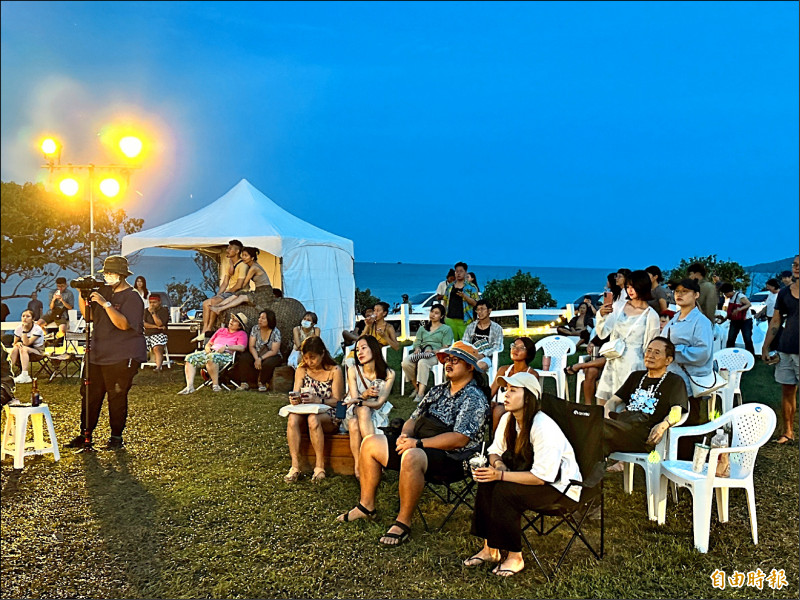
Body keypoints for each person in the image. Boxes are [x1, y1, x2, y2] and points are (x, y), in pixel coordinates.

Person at [336, 341, 489, 547]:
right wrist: (405, 435)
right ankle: (366, 506)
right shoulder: (438, 391)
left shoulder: (474, 397)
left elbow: (459, 439)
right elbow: (414, 418)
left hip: (452, 458)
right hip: (420, 442)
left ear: (470, 367)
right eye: (447, 360)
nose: (448, 364)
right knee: (371, 443)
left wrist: (418, 443)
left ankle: (403, 522)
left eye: (456, 360)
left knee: (411, 456)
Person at [464, 371, 581, 577]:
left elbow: (542, 477)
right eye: (505, 390)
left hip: (560, 487)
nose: (505, 395)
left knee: (505, 491)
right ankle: (490, 549)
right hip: (530, 475)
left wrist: (500, 476)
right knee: (487, 481)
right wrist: (498, 465)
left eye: (513, 390)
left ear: (528, 397)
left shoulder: (543, 426)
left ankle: (515, 557)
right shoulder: (508, 418)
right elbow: (494, 451)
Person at [65, 256, 147, 450]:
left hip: (122, 354)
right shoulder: (102, 291)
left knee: (116, 395)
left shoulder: (132, 297)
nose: (108, 277)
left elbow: (123, 324)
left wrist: (106, 304)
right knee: (90, 394)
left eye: (112, 273)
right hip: (98, 352)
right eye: (106, 273)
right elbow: (89, 316)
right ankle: (86, 434)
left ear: (122, 275)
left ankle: (116, 437)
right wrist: (81, 294)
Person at [603, 337, 688, 457]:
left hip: (643, 434)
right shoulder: (636, 376)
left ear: (668, 360)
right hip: (620, 425)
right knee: (591, 431)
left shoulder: (674, 381)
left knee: (594, 431)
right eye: (649, 350)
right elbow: (613, 400)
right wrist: (607, 413)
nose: (650, 355)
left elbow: (676, 411)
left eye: (657, 352)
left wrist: (664, 425)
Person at [659, 279, 714, 456]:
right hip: (671, 378)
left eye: (685, 291)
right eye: (677, 291)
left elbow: (703, 353)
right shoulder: (675, 318)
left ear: (696, 295)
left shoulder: (700, 322)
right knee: (672, 419)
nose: (679, 294)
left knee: (687, 422)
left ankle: (686, 462)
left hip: (688, 381)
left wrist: (674, 351)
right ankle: (670, 457)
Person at [595, 270, 660, 411]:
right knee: (604, 402)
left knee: (627, 404)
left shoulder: (651, 315)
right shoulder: (619, 307)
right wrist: (600, 315)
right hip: (614, 358)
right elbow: (603, 333)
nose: (630, 290)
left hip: (634, 364)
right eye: (628, 287)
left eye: (633, 287)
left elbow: (651, 344)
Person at [283, 336, 345, 483]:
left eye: (313, 358)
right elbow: (296, 391)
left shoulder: (334, 370)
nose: (309, 362)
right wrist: (295, 399)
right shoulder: (302, 369)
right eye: (306, 358)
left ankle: (319, 466)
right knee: (292, 418)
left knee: (313, 418)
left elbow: (338, 401)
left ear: (322, 354)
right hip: (305, 409)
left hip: (328, 413)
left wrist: (319, 400)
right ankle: (295, 466)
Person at [344, 335, 396, 479]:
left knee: (354, 424)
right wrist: (365, 395)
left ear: (374, 349)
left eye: (363, 348)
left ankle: (359, 465)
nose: (359, 352)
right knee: (362, 410)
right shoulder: (353, 370)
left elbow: (379, 404)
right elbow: (354, 400)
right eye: (357, 350)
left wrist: (363, 401)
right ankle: (373, 459)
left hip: (375, 412)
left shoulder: (389, 373)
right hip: (353, 409)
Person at [762, 255, 799, 445]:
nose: (796, 268)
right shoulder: (784, 293)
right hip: (785, 348)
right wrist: (766, 345)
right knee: (787, 391)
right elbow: (776, 321)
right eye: (794, 265)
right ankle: (788, 432)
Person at [179, 312, 249, 394]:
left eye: (235, 321)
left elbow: (242, 347)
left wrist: (226, 347)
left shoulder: (241, 334)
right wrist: (207, 348)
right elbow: (209, 343)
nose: (231, 321)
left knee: (212, 357)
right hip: (211, 352)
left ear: (239, 326)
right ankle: (189, 387)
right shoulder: (221, 330)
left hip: (226, 355)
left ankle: (216, 385)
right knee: (189, 358)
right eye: (232, 319)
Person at [195, 239, 248, 341]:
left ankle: (209, 327)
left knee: (214, 302)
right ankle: (205, 328)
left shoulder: (243, 265)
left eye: (230, 248)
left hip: (237, 292)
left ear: (237, 251)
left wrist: (226, 293)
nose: (227, 250)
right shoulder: (230, 264)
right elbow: (224, 283)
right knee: (206, 303)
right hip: (229, 292)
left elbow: (239, 285)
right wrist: (218, 294)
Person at [401, 304, 454, 402]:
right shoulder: (423, 328)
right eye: (432, 312)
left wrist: (433, 351)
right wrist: (417, 348)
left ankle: (420, 394)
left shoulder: (446, 329)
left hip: (436, 354)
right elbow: (417, 342)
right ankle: (416, 388)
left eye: (436, 313)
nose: (433, 315)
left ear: (441, 316)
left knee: (423, 362)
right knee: (406, 362)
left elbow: (446, 346)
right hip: (421, 352)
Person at [489, 336, 539, 430]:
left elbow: (529, 399)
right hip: (501, 403)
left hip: (518, 406)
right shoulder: (503, 370)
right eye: (514, 346)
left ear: (528, 353)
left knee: (498, 410)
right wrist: (489, 402)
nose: (515, 350)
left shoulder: (531, 374)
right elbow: (491, 392)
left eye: (521, 348)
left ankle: (497, 441)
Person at [208, 246, 273, 314]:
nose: (243, 257)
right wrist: (231, 264)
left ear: (252, 258)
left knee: (242, 297)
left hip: (264, 292)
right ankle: (218, 306)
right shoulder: (251, 266)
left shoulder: (254, 268)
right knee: (238, 294)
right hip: (258, 291)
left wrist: (231, 290)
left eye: (246, 255)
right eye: (242, 255)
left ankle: (220, 308)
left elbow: (244, 283)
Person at [234, 309, 282, 391]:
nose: (260, 320)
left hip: (270, 354)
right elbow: (251, 346)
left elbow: (274, 350)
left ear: (269, 320)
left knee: (268, 363)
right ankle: (244, 383)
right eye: (259, 317)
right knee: (244, 358)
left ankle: (262, 382)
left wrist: (260, 359)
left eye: (263, 318)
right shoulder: (255, 329)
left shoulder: (275, 332)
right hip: (256, 353)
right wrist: (256, 358)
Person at [462, 299, 504, 372]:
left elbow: (497, 347)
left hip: (487, 356)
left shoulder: (497, 328)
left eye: (482, 309)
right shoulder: (470, 327)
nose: (479, 312)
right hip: (471, 355)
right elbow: (465, 343)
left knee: (480, 365)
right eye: (477, 310)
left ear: (489, 311)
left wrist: (483, 355)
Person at [443, 262, 480, 341]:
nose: (458, 273)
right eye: (456, 271)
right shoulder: (450, 286)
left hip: (464, 321)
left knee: (465, 346)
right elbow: (445, 300)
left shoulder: (471, 287)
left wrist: (465, 296)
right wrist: (444, 316)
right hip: (450, 320)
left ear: (465, 272)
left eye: (461, 271)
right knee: (451, 346)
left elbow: (476, 304)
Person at [10, 309, 45, 384]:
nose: (25, 318)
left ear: (33, 319)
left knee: (23, 348)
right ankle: (9, 372)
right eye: (23, 316)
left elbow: (27, 343)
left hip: (37, 352)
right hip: (23, 351)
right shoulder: (18, 328)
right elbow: (14, 343)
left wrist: (25, 331)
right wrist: (18, 343)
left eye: (28, 316)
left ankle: (25, 376)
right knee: (16, 348)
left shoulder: (37, 329)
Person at [720, 283, 754, 354]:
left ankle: (751, 354)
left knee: (747, 338)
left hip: (745, 320)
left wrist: (739, 309)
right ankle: (728, 353)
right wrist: (723, 319)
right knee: (731, 338)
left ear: (729, 292)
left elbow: (748, 304)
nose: (725, 296)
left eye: (725, 294)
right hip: (735, 320)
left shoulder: (740, 296)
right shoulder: (731, 299)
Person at [143, 294, 170, 371]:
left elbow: (160, 323)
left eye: (154, 302)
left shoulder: (164, 311)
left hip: (159, 334)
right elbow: (143, 324)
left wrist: (153, 313)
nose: (152, 304)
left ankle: (158, 367)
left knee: (157, 348)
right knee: (137, 345)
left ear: (159, 302)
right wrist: (156, 327)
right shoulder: (145, 311)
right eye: (150, 302)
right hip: (147, 334)